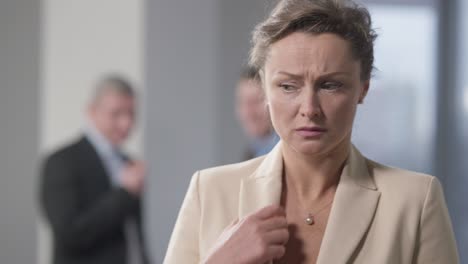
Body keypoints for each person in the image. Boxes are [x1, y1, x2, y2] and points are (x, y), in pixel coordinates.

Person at [163, 0, 459, 263]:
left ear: (363, 88)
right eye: (288, 86)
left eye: (330, 85)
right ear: (264, 89)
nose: (309, 108)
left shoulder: (415, 201)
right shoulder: (210, 192)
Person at [40, 75, 149, 264]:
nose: (126, 123)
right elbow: (70, 234)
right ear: (91, 111)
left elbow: (133, 237)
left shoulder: (129, 163)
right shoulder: (61, 162)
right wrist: (124, 193)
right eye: (116, 113)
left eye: (131, 113)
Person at [236, 66, 279, 160]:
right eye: (242, 102)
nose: (248, 112)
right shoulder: (252, 152)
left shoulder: (283, 157)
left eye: (256, 101)